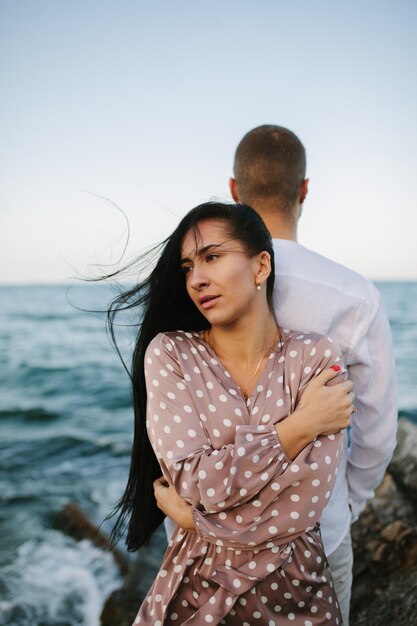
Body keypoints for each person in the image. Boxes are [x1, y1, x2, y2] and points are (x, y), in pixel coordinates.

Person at [109, 201, 355, 625]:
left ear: (261, 267)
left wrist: (196, 521)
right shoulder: (171, 354)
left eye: (212, 257)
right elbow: (192, 480)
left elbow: (303, 508)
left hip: (297, 597)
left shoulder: (314, 356)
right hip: (196, 593)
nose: (197, 279)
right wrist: (300, 427)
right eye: (187, 267)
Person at [226, 125, 398, 624]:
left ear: (234, 191)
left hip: (210, 540)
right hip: (321, 532)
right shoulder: (353, 294)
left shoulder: (196, 285)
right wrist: (342, 509)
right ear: (304, 190)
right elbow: (378, 433)